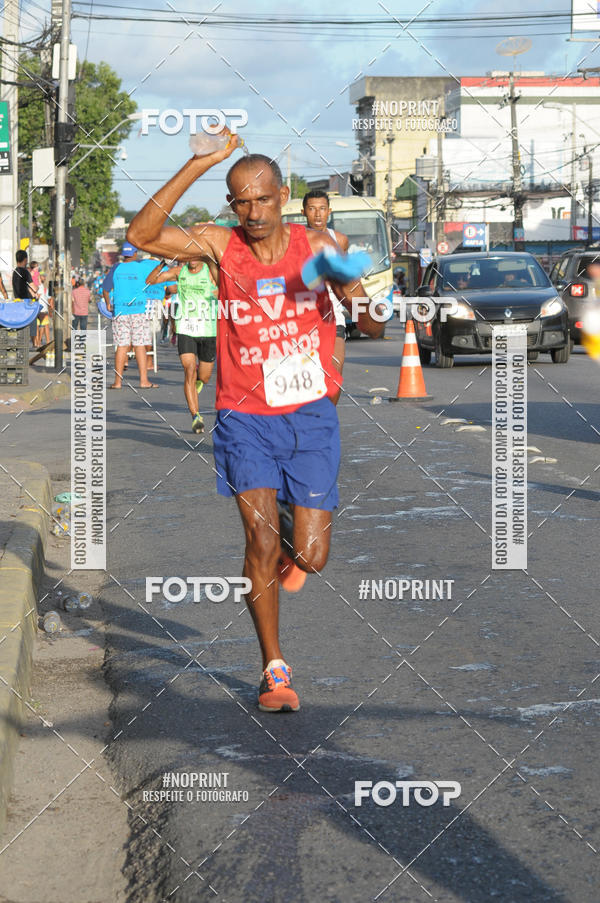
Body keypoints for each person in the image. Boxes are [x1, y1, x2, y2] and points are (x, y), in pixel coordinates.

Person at [127, 137, 383, 713]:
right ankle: (273, 668)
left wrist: (356, 295)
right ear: (231, 205)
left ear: (283, 197)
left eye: (263, 199)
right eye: (242, 202)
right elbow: (142, 235)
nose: (254, 211)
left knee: (311, 556)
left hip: (310, 416)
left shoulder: (319, 246)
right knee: (259, 541)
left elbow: (370, 322)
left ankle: (294, 536)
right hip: (244, 416)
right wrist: (201, 162)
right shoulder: (221, 245)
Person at [146, 256, 218, 433]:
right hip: (186, 327)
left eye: (196, 256)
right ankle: (195, 416)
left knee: (205, 377)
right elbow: (150, 281)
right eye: (189, 256)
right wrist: (163, 264)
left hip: (208, 330)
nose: (192, 259)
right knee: (189, 369)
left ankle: (198, 382)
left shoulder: (210, 272)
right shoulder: (180, 272)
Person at [302, 190, 348, 403]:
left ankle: (328, 419)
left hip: (333, 316)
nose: (318, 214)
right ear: (304, 212)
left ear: (329, 211)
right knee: (304, 378)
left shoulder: (340, 240)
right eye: (312, 209)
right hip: (301, 317)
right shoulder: (293, 240)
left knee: (334, 373)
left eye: (322, 209)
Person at [102, 242, 158, 389]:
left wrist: (108, 303)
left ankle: (117, 382)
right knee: (139, 345)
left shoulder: (116, 268)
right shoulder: (142, 267)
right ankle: (144, 381)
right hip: (138, 310)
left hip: (120, 311)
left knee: (121, 346)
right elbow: (154, 278)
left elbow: (105, 289)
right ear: (134, 253)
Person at [12, 250, 39, 347]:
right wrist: (37, 288)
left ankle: (22, 344)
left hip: (18, 302)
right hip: (27, 303)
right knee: (32, 322)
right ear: (25, 259)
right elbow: (34, 288)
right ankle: (35, 343)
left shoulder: (15, 272)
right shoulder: (25, 272)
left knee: (21, 326)